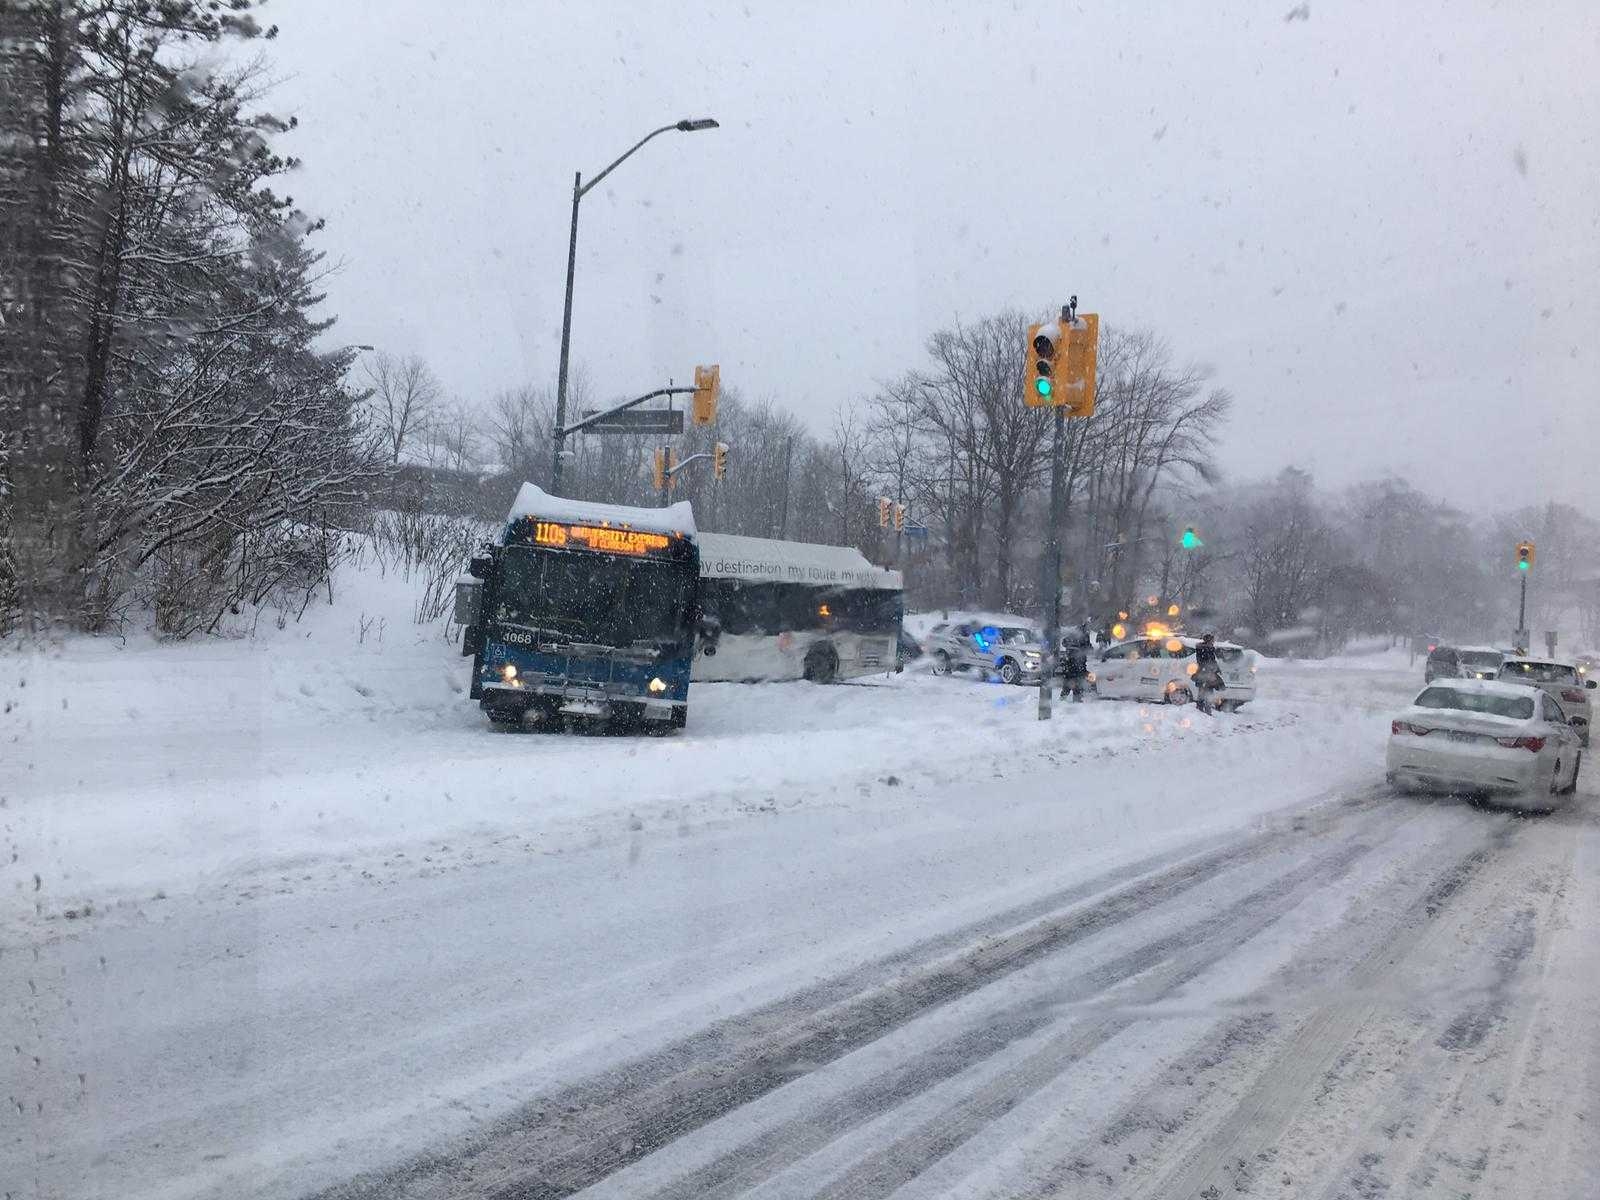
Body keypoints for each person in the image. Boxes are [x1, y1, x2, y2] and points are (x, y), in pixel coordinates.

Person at [1194, 632, 1225, 715]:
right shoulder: (1205, 649)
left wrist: (1217, 669)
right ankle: (1204, 709)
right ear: (1208, 640)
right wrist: (1211, 668)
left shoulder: (1208, 649)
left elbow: (1212, 661)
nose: (1213, 641)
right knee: (1206, 691)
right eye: (1212, 640)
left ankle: (1204, 708)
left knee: (1205, 691)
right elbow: (1204, 661)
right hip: (1205, 673)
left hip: (1206, 673)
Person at [1060, 622, 1091, 702]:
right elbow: (1087, 647)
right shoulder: (1084, 636)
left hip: (1070, 662)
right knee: (1077, 680)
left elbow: (1064, 642)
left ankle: (1064, 697)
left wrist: (1070, 648)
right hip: (1078, 662)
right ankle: (1076, 699)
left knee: (1069, 679)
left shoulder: (1072, 635)